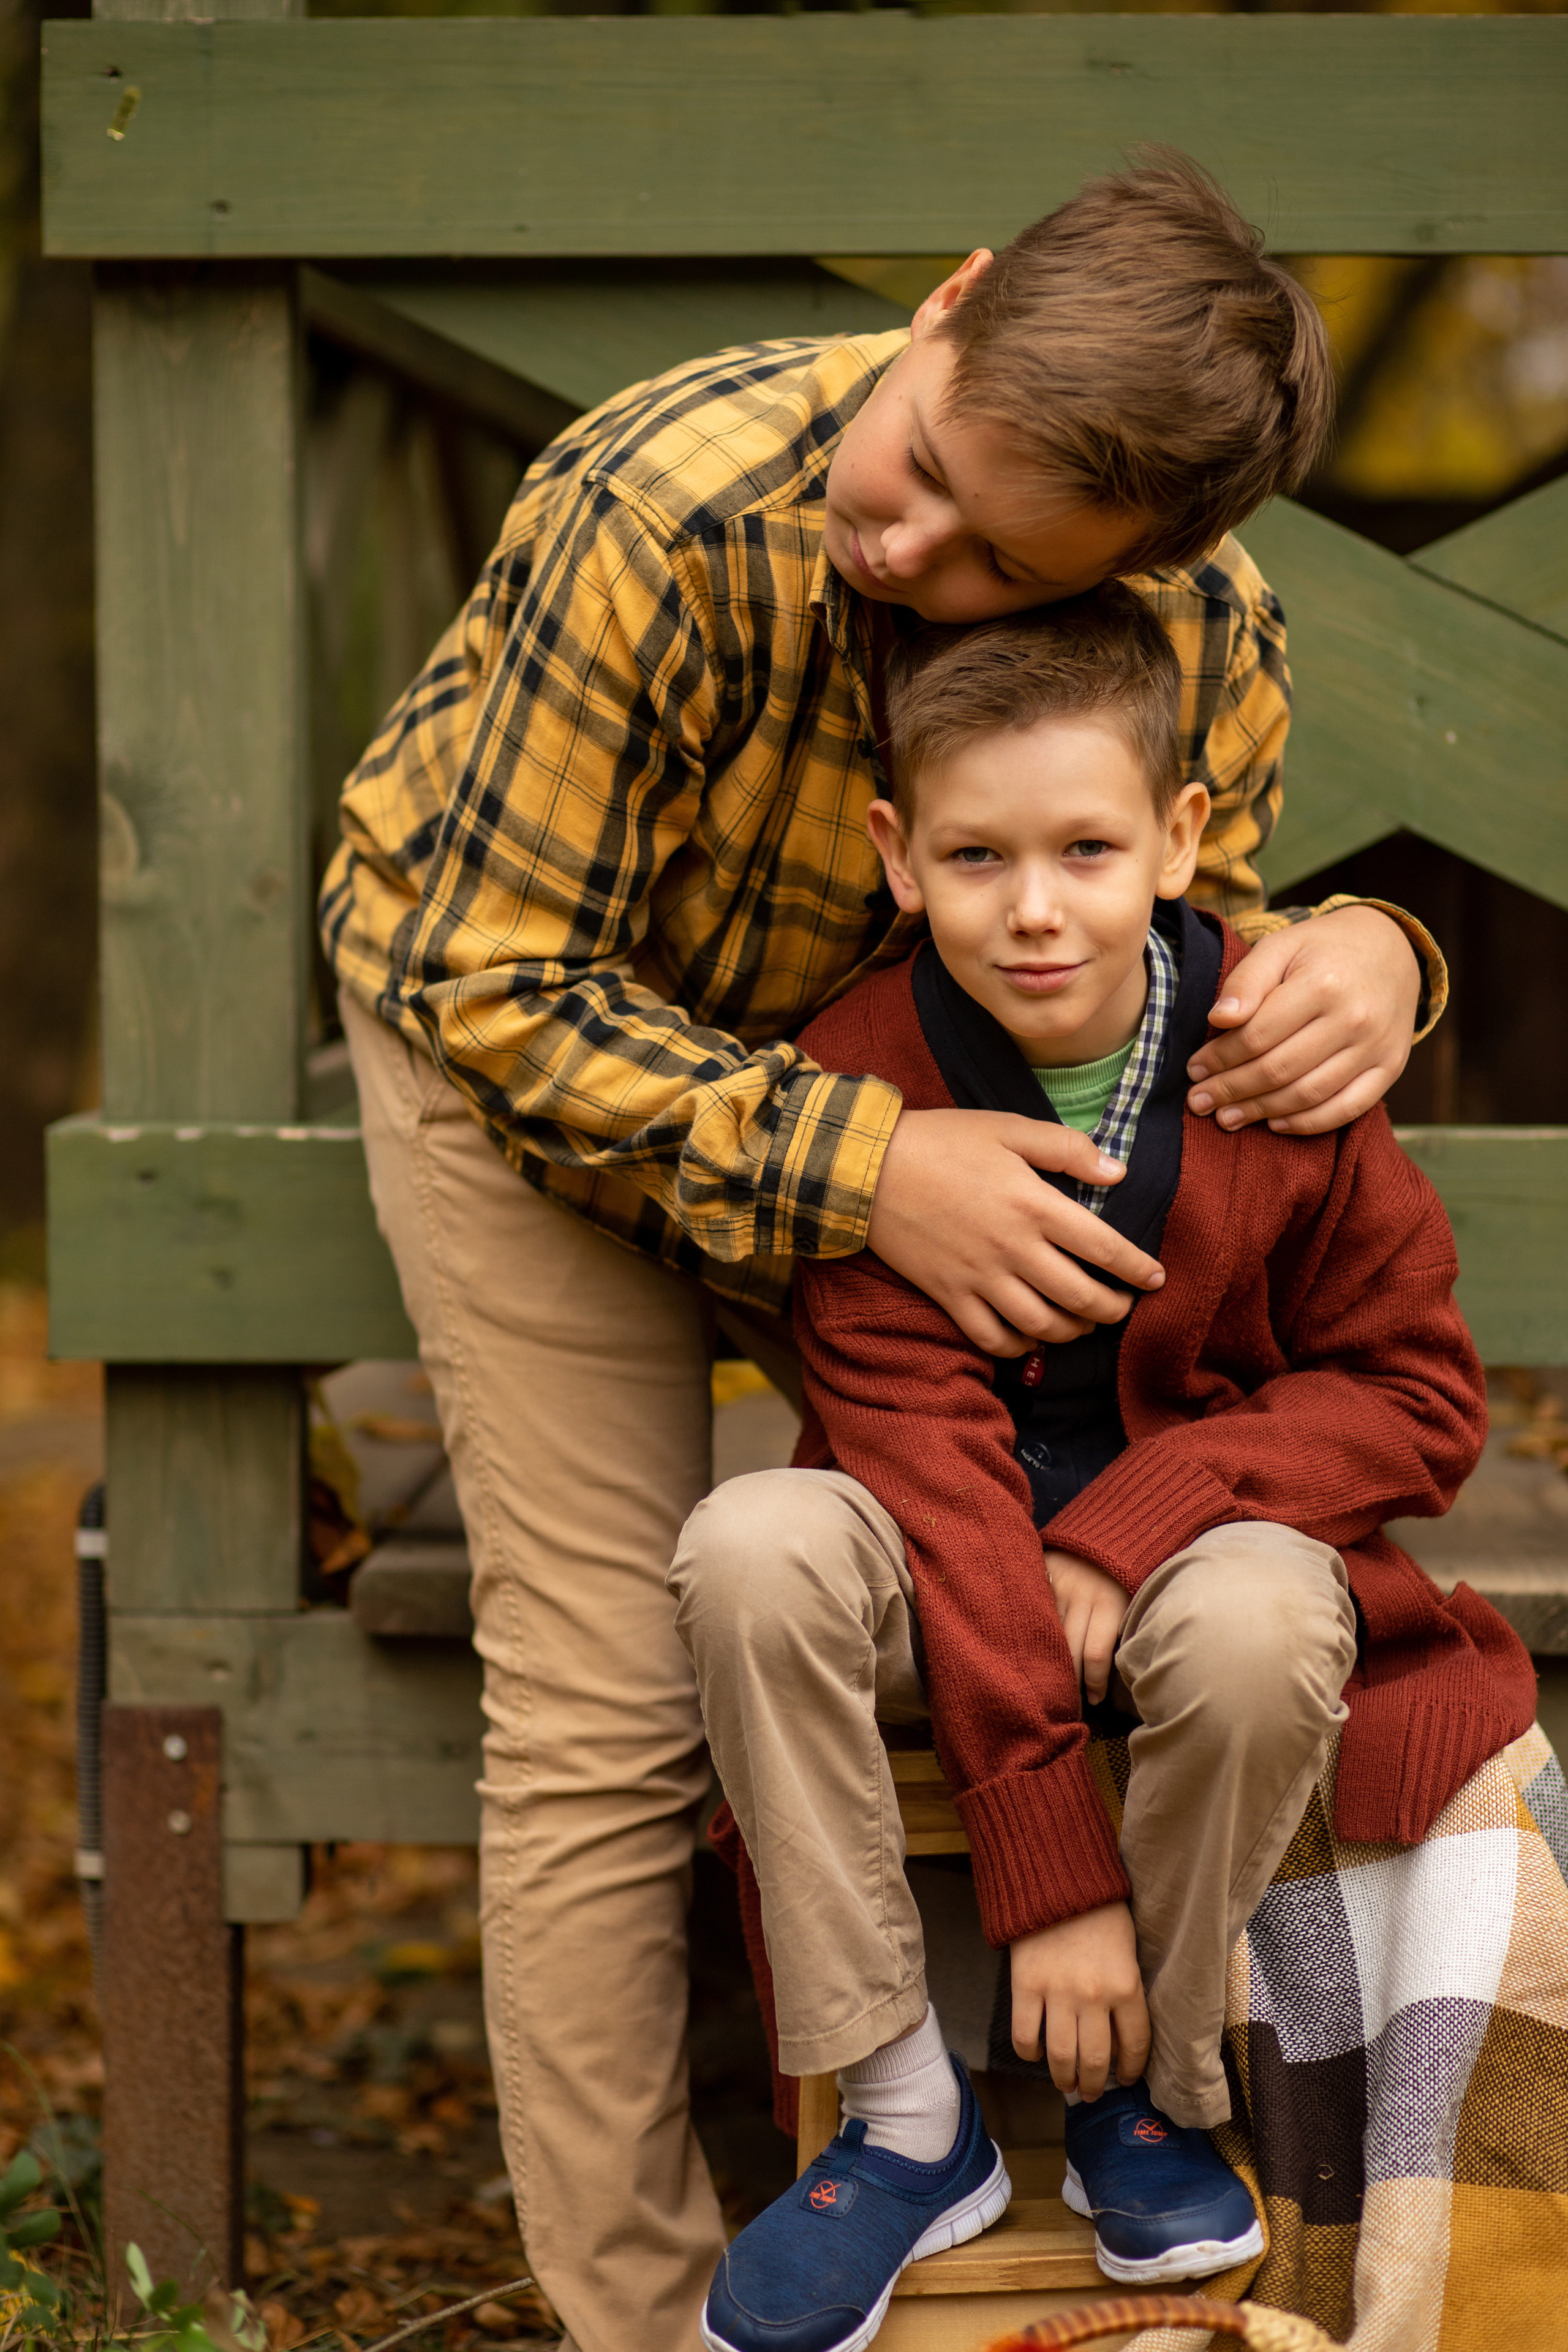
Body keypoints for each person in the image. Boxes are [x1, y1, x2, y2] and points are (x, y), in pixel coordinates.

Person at [322, 154, 1444, 2352]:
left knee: (1147, 1587)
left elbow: (1176, 939)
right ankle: (648, 2322)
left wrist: (1374, 957)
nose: (901, 539)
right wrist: (854, 1162)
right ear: (945, 303)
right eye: (921, 463)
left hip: (931, 1112)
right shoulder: (664, 511)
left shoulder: (1203, 640)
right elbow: (487, 971)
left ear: (1150, 567)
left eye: (998, 556)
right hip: (537, 1055)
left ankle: (1135, 2135)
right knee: (609, 1685)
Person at [669, 591, 1531, 2352]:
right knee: (749, 1544)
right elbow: (920, 1460)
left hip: (1201, 1561)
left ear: (1185, 838)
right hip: (927, 1561)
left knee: (1262, 1617)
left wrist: (1135, 1530)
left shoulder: (1270, 1060)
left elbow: (1419, 1397)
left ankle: (1154, 2081)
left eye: (1086, 846)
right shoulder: (868, 1075)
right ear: (897, 857)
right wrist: (1048, 1880)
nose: (1037, 905)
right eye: (978, 856)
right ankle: (908, 2110)